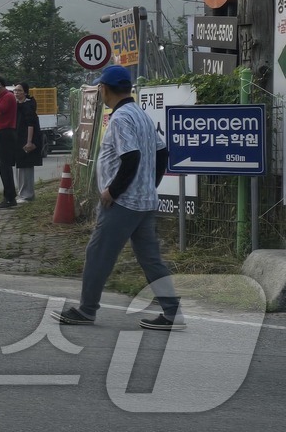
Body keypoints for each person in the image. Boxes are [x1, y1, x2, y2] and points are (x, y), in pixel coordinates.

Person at [52, 65, 182, 331]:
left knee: (98, 253)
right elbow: (162, 152)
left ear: (105, 89)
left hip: (124, 202)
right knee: (150, 258)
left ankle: (87, 310)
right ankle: (172, 312)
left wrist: (113, 191)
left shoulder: (121, 118)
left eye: (100, 87)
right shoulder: (141, 115)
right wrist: (151, 183)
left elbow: (131, 157)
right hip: (144, 200)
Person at [0, 74, 18, 208]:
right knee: (3, 167)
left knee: (5, 167)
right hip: (0, 135)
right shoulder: (1, 97)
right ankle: (8, 196)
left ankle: (10, 198)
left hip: (6, 134)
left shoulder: (8, 96)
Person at [13, 82, 43, 203]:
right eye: (15, 90)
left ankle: (27, 194)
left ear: (25, 92)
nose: (16, 92)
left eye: (19, 90)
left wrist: (29, 141)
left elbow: (31, 124)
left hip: (27, 140)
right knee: (19, 166)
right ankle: (21, 193)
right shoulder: (17, 105)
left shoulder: (28, 106)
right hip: (19, 139)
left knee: (26, 167)